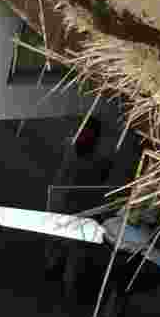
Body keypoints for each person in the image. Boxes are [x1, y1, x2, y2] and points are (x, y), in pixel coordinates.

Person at [46, 117, 114, 302]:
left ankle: (65, 286)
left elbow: (68, 177)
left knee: (71, 251)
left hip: (77, 206)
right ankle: (62, 281)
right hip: (72, 205)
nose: (84, 135)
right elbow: (65, 176)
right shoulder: (78, 152)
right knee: (68, 249)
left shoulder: (82, 153)